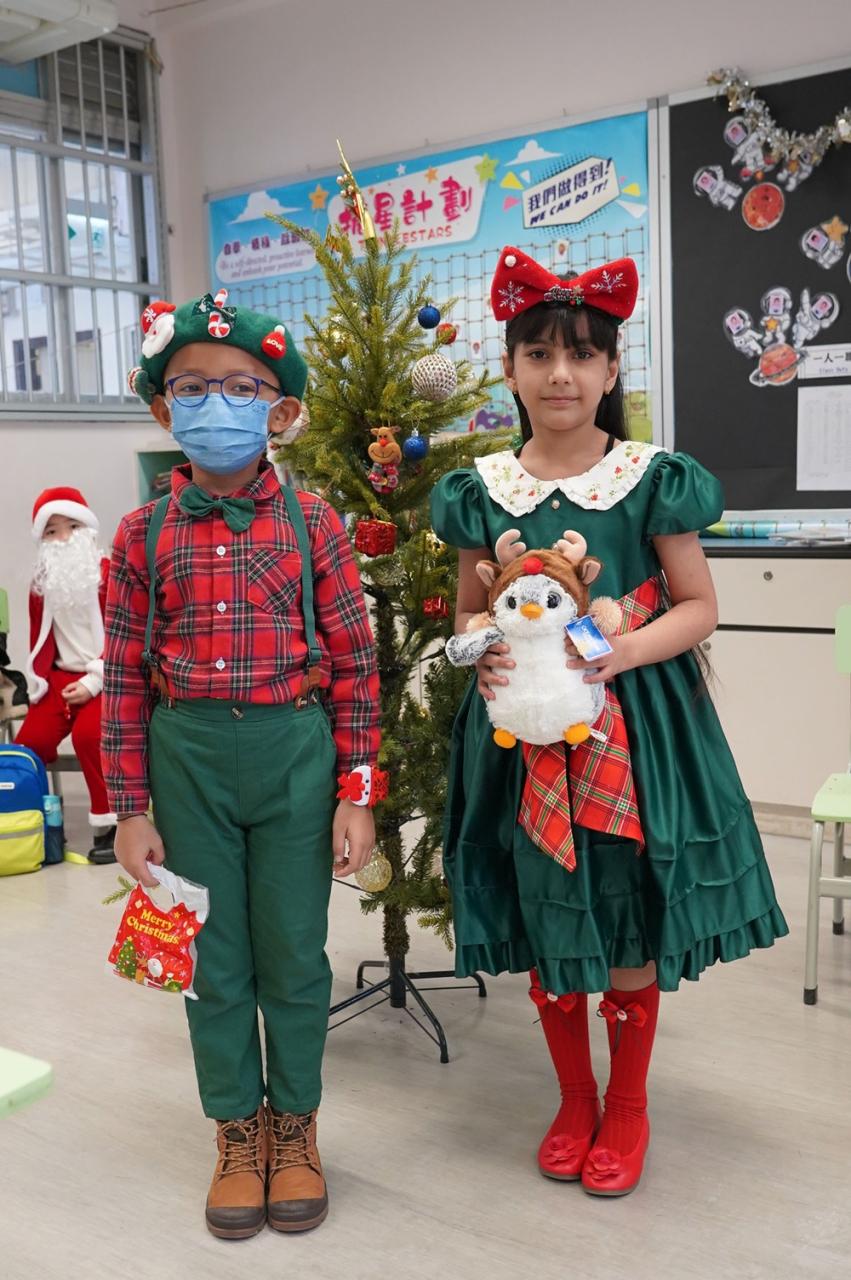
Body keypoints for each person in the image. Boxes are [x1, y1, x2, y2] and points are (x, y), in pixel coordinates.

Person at [430, 248, 787, 1198]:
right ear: (508, 369)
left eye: (581, 354)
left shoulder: (648, 476)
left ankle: (625, 1106)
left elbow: (698, 606)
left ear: (611, 368)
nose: (560, 373)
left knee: (626, 906)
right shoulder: (481, 487)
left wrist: (619, 652)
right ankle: (572, 1098)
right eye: (539, 354)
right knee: (543, 899)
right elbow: (465, 611)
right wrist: (478, 649)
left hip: (638, 732)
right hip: (516, 738)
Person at [103, 292, 383, 1238]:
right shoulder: (141, 534)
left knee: (294, 956)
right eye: (191, 388)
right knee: (212, 960)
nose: (214, 404)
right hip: (185, 761)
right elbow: (122, 677)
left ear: (280, 409)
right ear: (162, 408)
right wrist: (129, 808)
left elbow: (355, 664)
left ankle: (295, 1128)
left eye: (240, 387)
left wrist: (357, 792)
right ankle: (236, 1130)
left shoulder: (315, 521)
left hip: (293, 756)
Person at [16, 488, 116, 862]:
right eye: (52, 531)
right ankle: (28, 822)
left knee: (90, 737)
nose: (63, 538)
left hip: (108, 676)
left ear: (87, 528)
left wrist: (94, 681)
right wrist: (38, 682)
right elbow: (39, 638)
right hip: (60, 680)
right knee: (27, 746)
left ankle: (110, 826)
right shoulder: (43, 583)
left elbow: (125, 636)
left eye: (72, 526)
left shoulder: (109, 574)